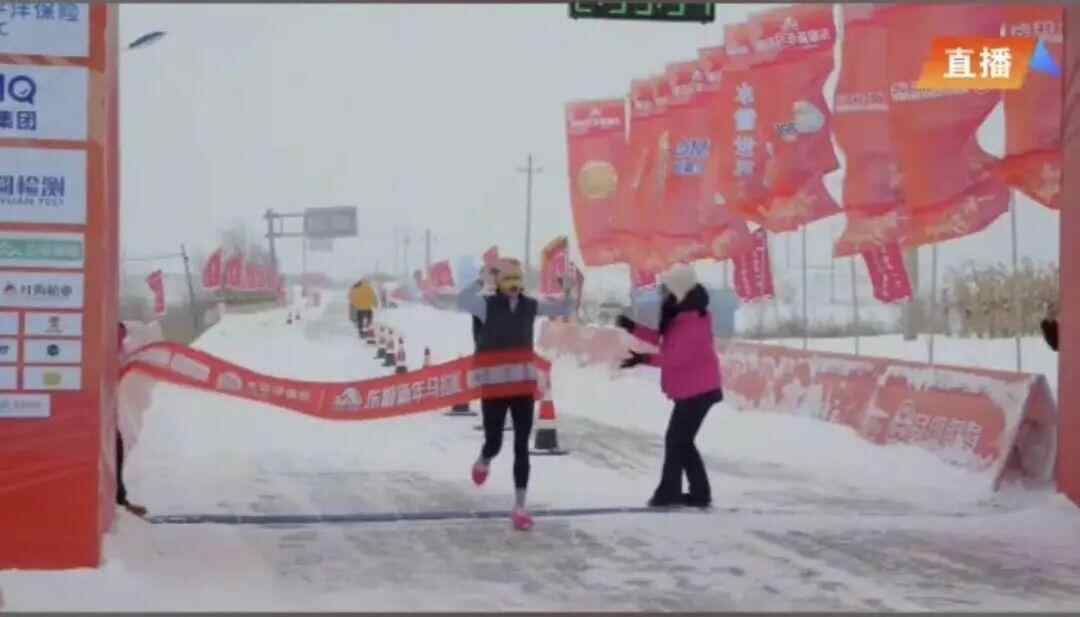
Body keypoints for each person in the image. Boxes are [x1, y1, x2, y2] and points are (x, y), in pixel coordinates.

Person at [457, 257, 572, 530]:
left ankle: (520, 507)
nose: (514, 285)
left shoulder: (530, 305)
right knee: (495, 442)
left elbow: (564, 307)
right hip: (494, 386)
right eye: (508, 279)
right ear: (498, 282)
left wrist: (567, 289)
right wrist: (481, 279)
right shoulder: (485, 305)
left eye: (518, 279)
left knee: (522, 445)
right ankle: (485, 458)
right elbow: (462, 300)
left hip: (522, 385)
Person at [616, 263, 722, 509]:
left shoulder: (693, 320)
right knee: (681, 441)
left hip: (699, 391)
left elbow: (674, 358)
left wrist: (644, 359)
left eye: (671, 286)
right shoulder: (679, 312)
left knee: (677, 440)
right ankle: (696, 493)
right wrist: (633, 328)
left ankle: (672, 492)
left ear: (682, 287)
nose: (667, 290)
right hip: (692, 389)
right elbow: (664, 339)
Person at [116, 322, 148, 518]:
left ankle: (118, 501)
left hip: (110, 412)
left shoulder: (121, 348)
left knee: (116, 450)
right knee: (114, 451)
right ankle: (117, 502)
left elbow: (141, 332)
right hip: (92, 412)